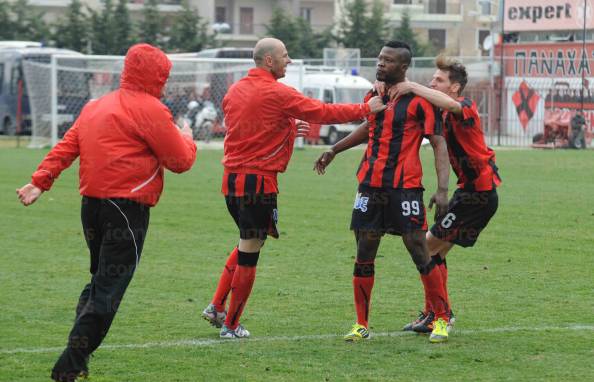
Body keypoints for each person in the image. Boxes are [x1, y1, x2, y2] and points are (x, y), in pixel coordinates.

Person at [16, 44, 197, 382]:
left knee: (100, 281)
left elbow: (68, 145)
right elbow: (180, 162)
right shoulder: (150, 109)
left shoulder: (96, 105)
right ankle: (71, 360)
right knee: (110, 289)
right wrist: (187, 138)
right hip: (126, 208)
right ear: (157, 75)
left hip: (92, 206)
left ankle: (77, 355)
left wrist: (40, 182)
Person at [201, 37, 386, 339]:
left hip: (232, 180)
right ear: (269, 61)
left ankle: (217, 306)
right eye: (285, 56)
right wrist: (365, 108)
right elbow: (322, 112)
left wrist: (286, 128)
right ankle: (231, 325)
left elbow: (250, 127)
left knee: (249, 241)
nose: (289, 60)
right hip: (257, 182)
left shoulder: (235, 90)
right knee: (250, 248)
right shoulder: (277, 92)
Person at [314, 41, 451, 343]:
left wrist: (443, 189)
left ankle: (441, 319)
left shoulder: (420, 101)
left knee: (418, 248)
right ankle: (361, 324)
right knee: (364, 249)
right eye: (379, 59)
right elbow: (368, 128)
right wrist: (334, 149)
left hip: (405, 187)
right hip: (370, 185)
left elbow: (439, 144)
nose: (380, 64)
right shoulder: (373, 96)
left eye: (388, 61)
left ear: (403, 67)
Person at [389, 55, 502, 333]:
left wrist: (412, 86)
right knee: (435, 254)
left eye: (439, 80)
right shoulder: (439, 112)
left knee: (426, 248)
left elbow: (450, 105)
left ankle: (440, 314)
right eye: (432, 79)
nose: (432, 82)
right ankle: (435, 314)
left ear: (455, 87)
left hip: (479, 195)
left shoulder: (465, 106)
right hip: (469, 194)